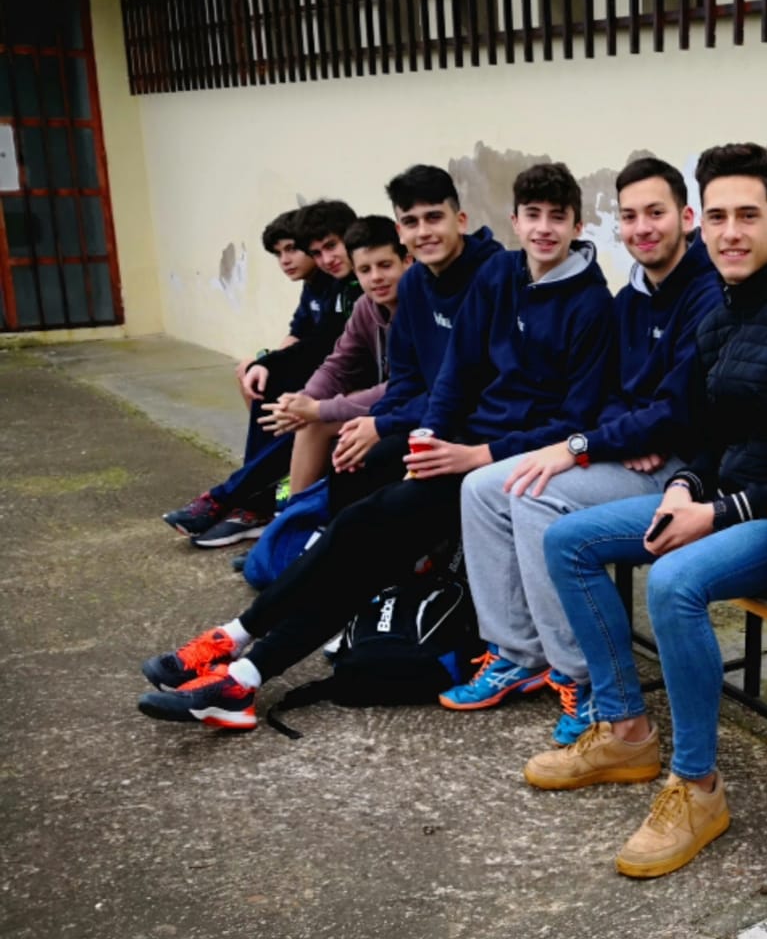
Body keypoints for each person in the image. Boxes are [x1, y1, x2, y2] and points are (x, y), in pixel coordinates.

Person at [135, 162, 609, 732]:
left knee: (362, 532)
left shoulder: (591, 303)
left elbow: (573, 420)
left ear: (579, 225)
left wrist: (465, 452)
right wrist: (428, 437)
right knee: (360, 539)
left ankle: (238, 652)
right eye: (533, 216)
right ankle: (240, 667)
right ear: (514, 221)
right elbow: (456, 373)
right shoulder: (502, 274)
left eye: (557, 217)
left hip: (505, 462)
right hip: (461, 443)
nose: (544, 228)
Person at [524, 143, 767, 880]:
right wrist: (683, 487)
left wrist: (719, 513)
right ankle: (626, 728)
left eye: (748, 216)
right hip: (728, 508)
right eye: (719, 216)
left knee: (672, 583)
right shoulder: (718, 317)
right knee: (567, 540)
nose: (731, 232)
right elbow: (707, 438)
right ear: (704, 222)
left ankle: (698, 787)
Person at [443, 157, 722, 726]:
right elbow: (611, 393)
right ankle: (517, 653)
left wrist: (591, 443)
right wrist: (621, 435)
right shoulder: (632, 296)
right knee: (481, 488)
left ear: (686, 217)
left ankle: (584, 677)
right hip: (636, 449)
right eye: (630, 216)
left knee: (535, 495)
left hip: (687, 471)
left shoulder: (706, 294)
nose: (642, 227)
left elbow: (678, 409)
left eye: (655, 213)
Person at [162, 203, 359, 544]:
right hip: (339, 376)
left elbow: (326, 346)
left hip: (363, 390)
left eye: (292, 249)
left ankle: (235, 499)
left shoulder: (350, 287)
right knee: (262, 381)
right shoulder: (326, 284)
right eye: (316, 251)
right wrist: (263, 364)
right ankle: (254, 502)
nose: (286, 260)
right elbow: (306, 339)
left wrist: (273, 368)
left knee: (299, 409)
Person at [327, 165, 503, 514]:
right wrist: (372, 424)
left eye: (434, 217)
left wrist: (384, 425)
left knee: (387, 500)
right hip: (431, 417)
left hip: (480, 429)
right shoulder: (412, 283)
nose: (423, 232)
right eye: (411, 222)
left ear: (460, 221)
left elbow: (475, 386)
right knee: (350, 460)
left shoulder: (495, 276)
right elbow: (405, 379)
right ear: (400, 231)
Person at [256, 214, 411, 495]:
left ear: (407, 261)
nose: (376, 277)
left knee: (317, 421)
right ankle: (290, 507)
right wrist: (304, 399)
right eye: (365, 270)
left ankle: (285, 508)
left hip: (417, 413)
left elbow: (407, 386)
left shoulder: (420, 307)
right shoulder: (365, 306)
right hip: (390, 406)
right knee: (290, 408)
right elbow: (338, 364)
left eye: (385, 265)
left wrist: (318, 408)